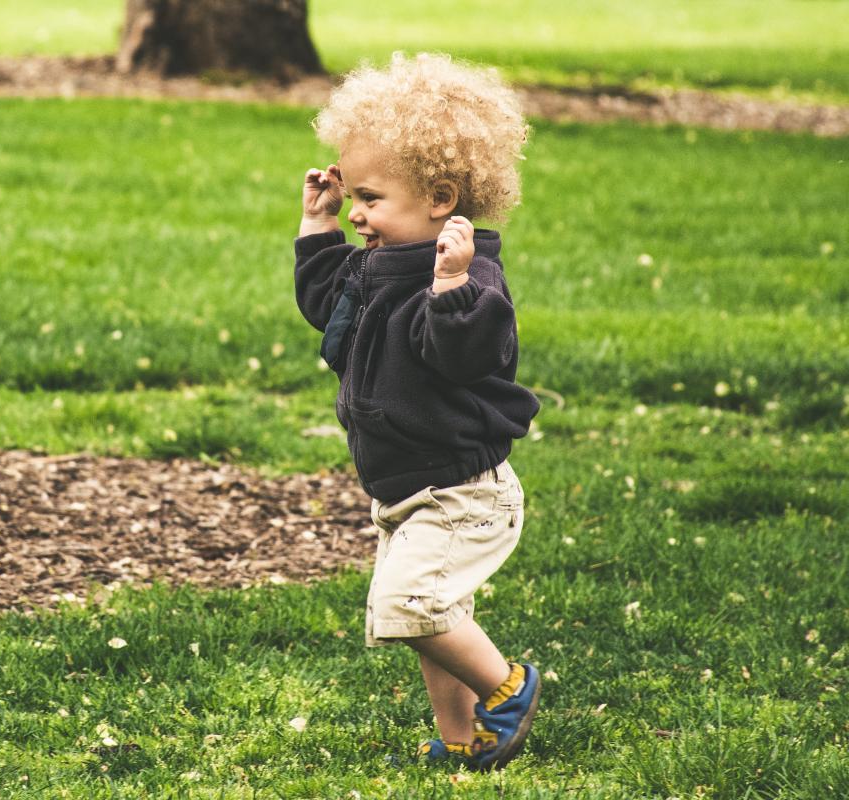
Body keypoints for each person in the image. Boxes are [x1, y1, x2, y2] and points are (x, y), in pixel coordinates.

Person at [293, 52, 541, 771]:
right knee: (434, 615)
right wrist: (319, 228)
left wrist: (453, 287)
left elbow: (466, 357)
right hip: (404, 485)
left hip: (461, 489)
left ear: (439, 197)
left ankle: (510, 686)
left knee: (412, 607)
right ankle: (463, 739)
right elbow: (323, 308)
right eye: (352, 195)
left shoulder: (469, 276)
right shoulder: (371, 265)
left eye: (369, 197)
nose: (359, 213)